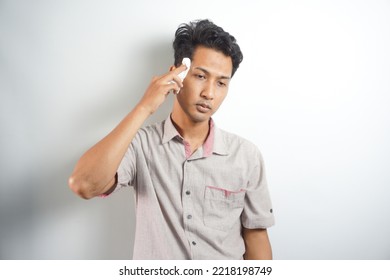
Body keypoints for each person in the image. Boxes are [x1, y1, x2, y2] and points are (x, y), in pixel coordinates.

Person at [69, 19, 275, 260]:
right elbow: (83, 184)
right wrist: (145, 106)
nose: (209, 93)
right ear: (177, 73)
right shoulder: (140, 146)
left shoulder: (246, 155)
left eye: (221, 83)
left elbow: (256, 238)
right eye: (200, 76)